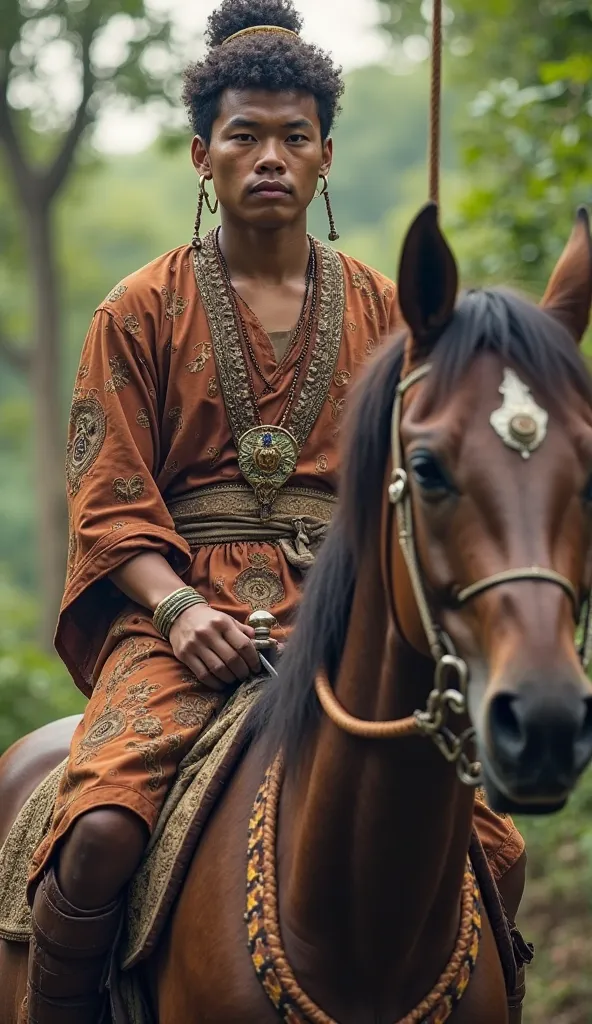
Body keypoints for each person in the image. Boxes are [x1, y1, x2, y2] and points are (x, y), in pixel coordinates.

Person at [23, 1, 526, 1021]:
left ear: (326, 155)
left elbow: (422, 485)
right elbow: (109, 497)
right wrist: (178, 612)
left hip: (345, 617)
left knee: (493, 846)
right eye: (244, 136)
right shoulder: (136, 310)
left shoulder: (390, 311)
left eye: (293, 137)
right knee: (103, 832)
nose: (269, 157)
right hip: (176, 620)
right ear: (202, 153)